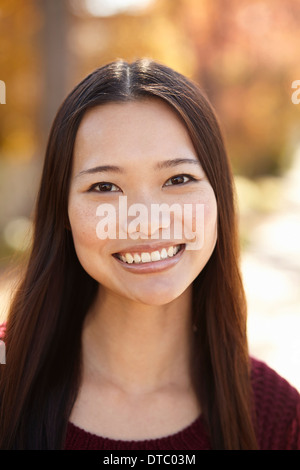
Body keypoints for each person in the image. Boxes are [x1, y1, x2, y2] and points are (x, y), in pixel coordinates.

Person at [0, 59, 299, 450]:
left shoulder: (276, 418)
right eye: (105, 186)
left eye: (178, 179)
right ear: (64, 212)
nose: (146, 222)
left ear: (220, 198)